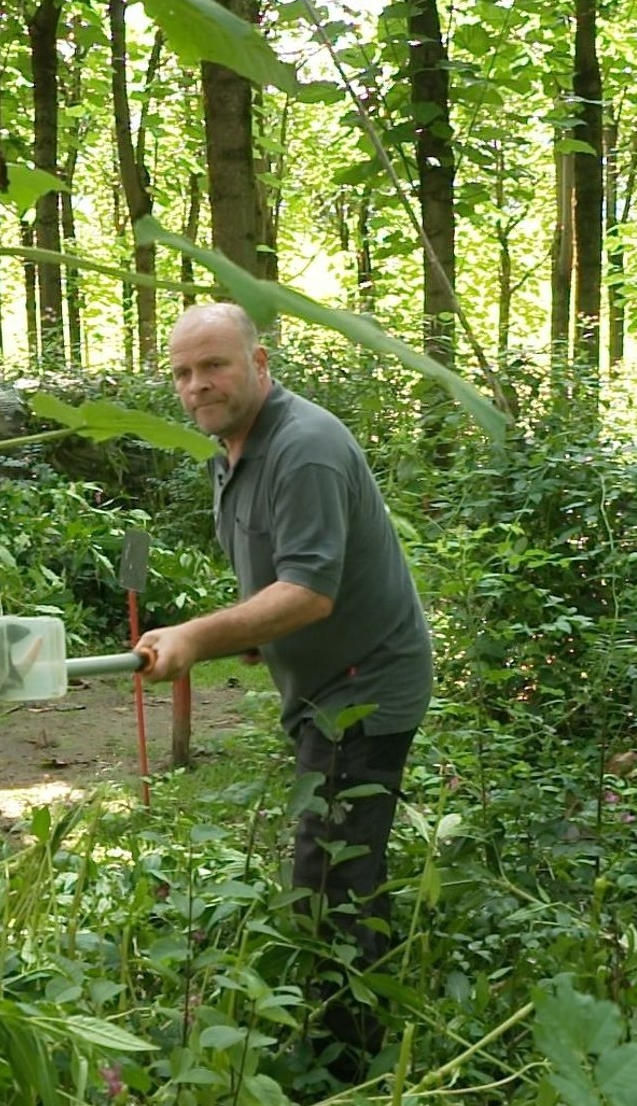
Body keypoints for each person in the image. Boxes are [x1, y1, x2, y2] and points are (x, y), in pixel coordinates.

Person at [135, 301, 433, 1081]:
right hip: (324, 685)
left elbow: (309, 590)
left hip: (366, 686)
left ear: (260, 364)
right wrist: (253, 636)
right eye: (183, 372)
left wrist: (198, 636)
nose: (198, 384)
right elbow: (275, 584)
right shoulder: (232, 450)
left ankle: (345, 1068)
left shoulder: (302, 447)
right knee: (346, 864)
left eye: (216, 365)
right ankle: (369, 1015)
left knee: (326, 883)